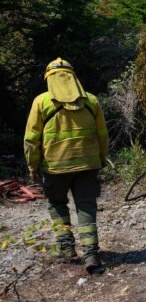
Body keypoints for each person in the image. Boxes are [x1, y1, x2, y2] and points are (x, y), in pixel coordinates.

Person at [24, 58, 108, 275]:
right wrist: (100, 159)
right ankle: (91, 256)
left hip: (55, 168)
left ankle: (67, 250)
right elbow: (102, 136)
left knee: (57, 204)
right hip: (88, 165)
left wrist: (32, 167)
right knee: (86, 208)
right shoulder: (91, 101)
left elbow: (31, 140)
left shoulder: (41, 102)